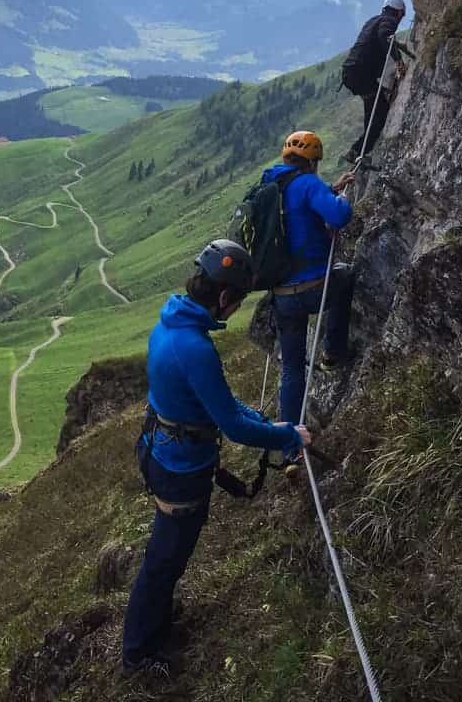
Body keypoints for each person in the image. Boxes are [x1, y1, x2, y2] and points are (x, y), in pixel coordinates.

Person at [122, 240, 312, 675]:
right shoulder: (196, 349)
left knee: (164, 557)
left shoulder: (170, 322)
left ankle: (155, 627)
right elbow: (233, 425)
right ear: (225, 297)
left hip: (160, 446)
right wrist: (284, 434)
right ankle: (138, 654)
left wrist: (267, 423)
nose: (235, 308)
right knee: (164, 559)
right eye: (238, 300)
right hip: (181, 467)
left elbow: (220, 404)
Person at [265, 132, 356, 425]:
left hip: (281, 296)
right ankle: (333, 351)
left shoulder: (270, 185)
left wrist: (328, 188)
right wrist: (339, 196)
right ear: (312, 161)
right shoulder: (308, 182)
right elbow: (339, 216)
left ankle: (290, 442)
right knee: (345, 276)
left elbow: (295, 212)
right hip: (314, 288)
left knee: (292, 369)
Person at [340, 0, 408, 165]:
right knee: (380, 111)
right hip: (361, 74)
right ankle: (358, 151)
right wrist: (398, 59)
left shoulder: (373, 20)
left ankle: (358, 152)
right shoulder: (389, 22)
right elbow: (385, 36)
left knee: (373, 109)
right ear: (399, 12)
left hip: (352, 73)